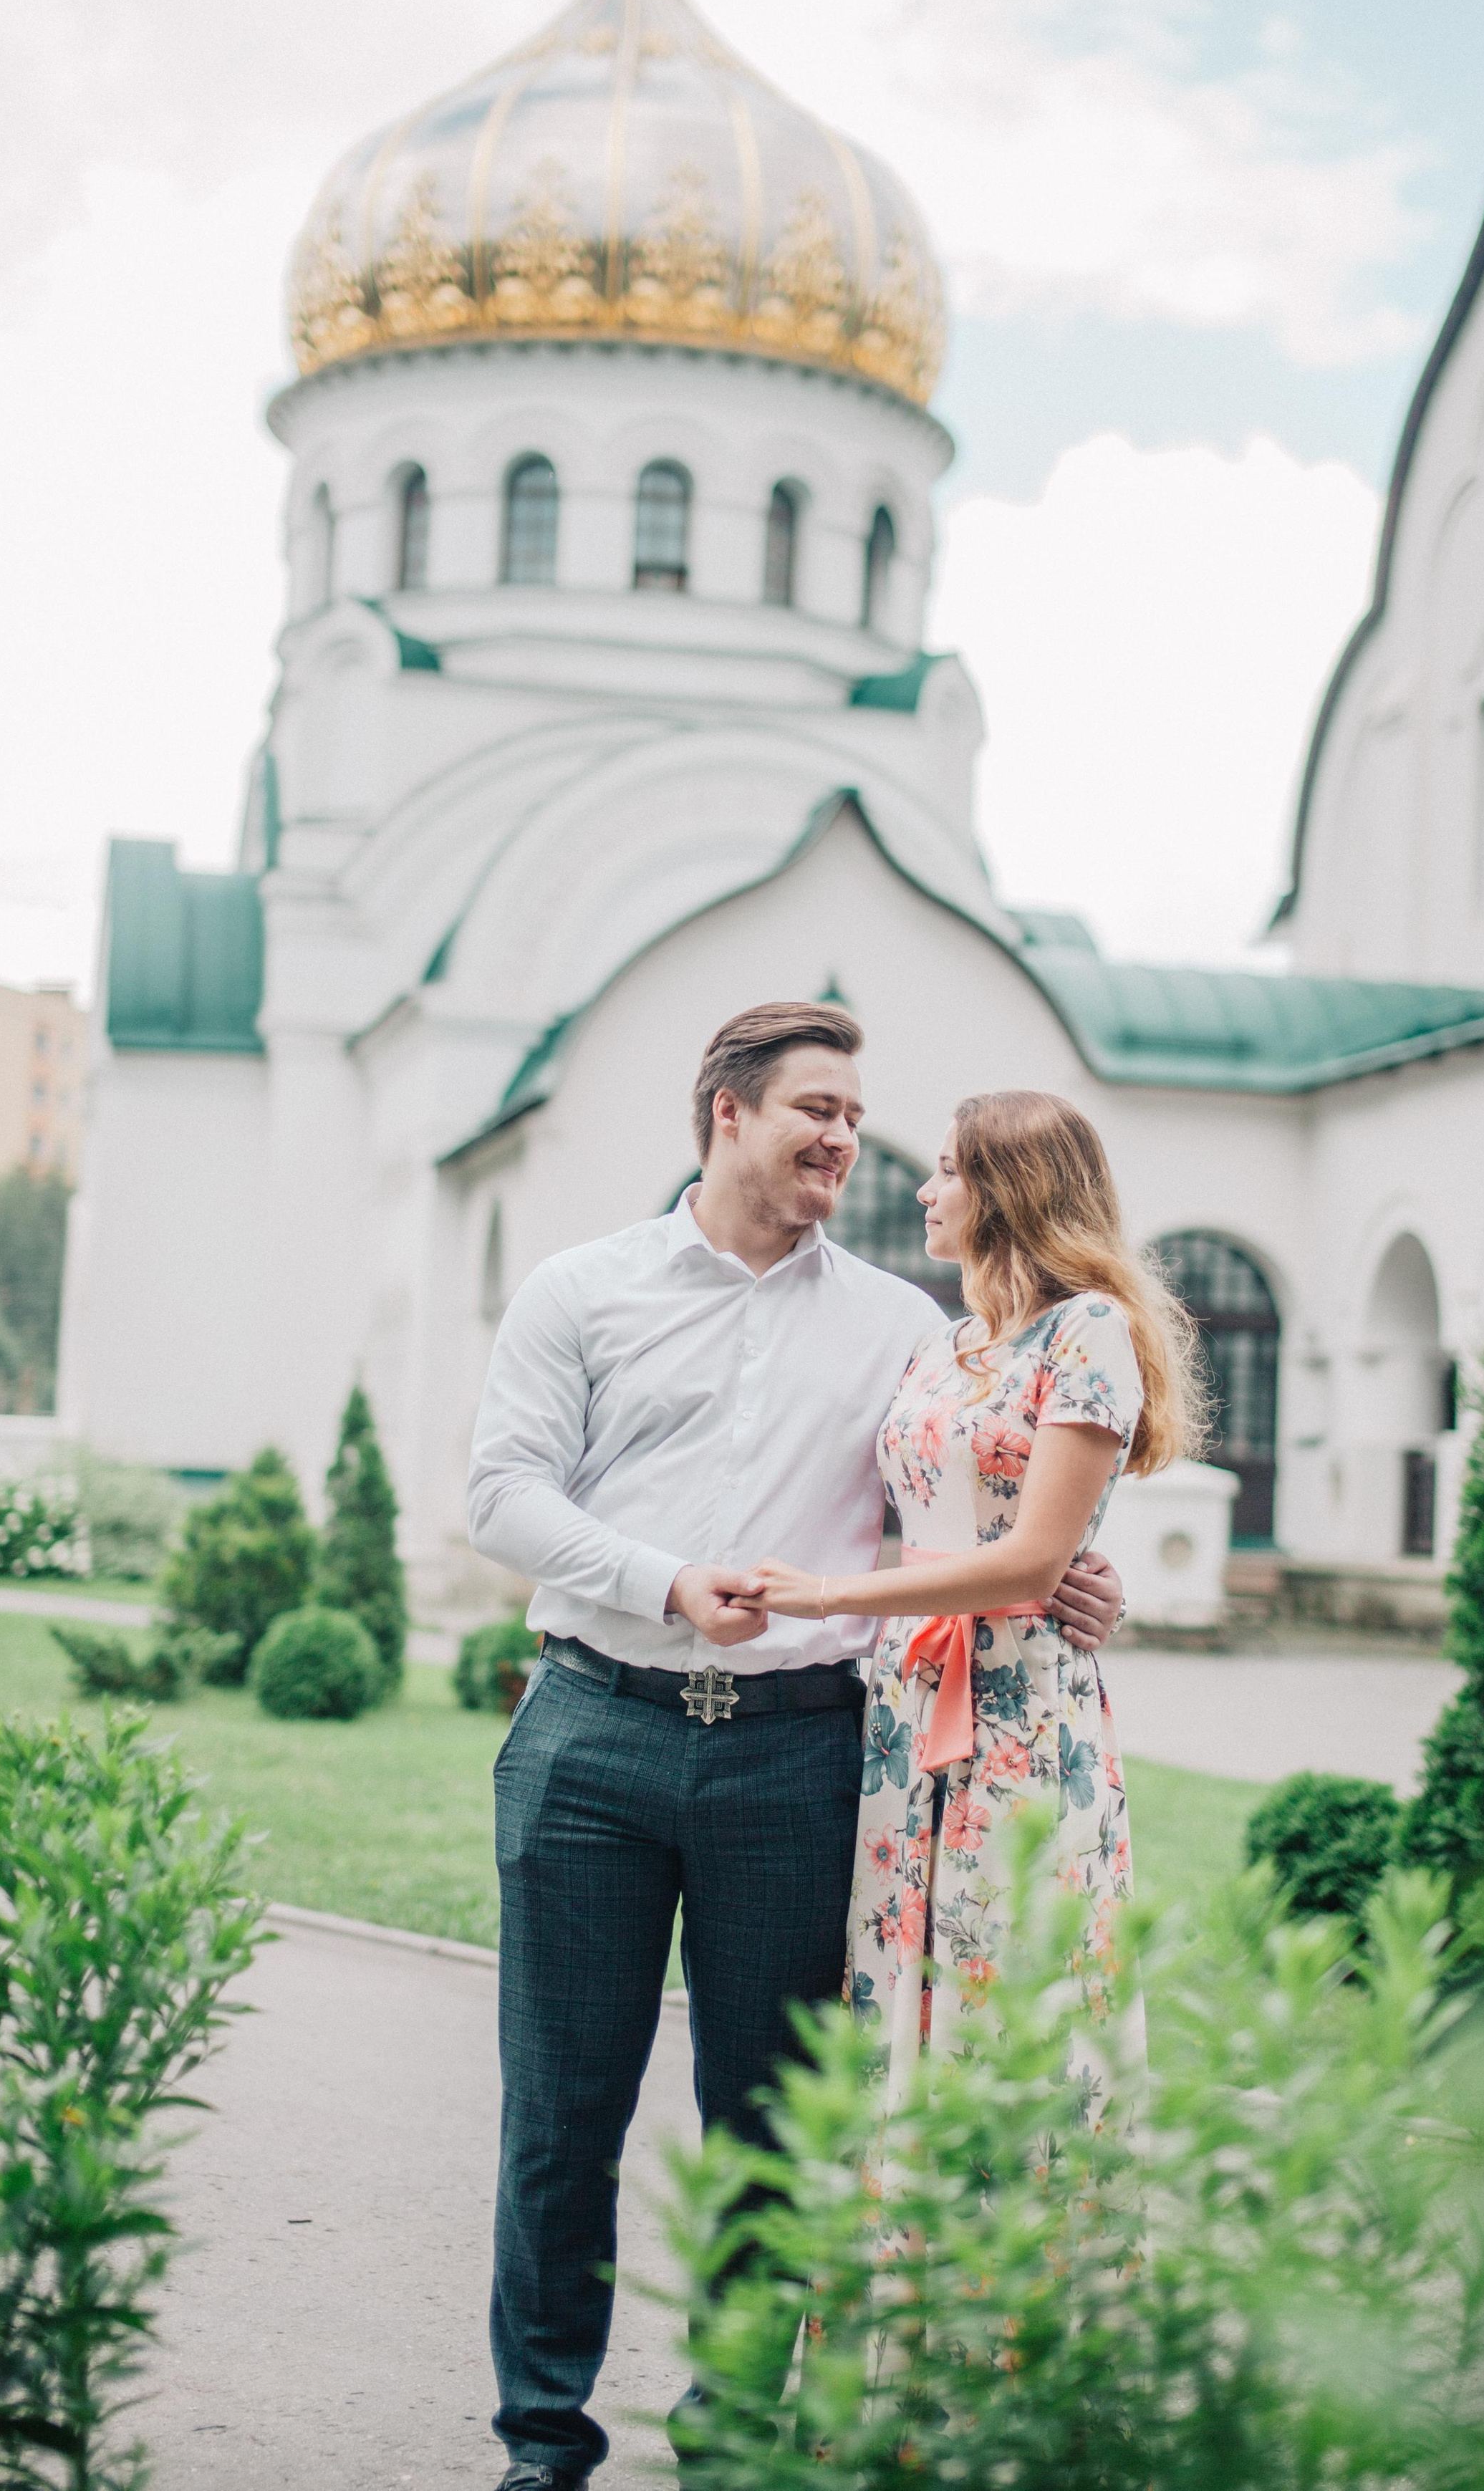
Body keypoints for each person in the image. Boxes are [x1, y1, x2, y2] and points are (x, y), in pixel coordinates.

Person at [466, 1007, 1126, 2491]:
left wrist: (1067, 1570)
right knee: (560, 2121)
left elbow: (979, 1495)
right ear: (724, 1111)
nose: (844, 1139)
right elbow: (502, 1491)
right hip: (590, 1736)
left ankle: (735, 2449)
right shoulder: (582, 1288)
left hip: (799, 1761)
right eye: (813, 1110)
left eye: (853, 1115)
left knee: (768, 2131)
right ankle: (541, 2448)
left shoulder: (905, 1324)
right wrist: (659, 1579)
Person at [743, 1089, 1200, 2109]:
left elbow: (1033, 1562)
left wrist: (824, 1596)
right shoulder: (944, 1345)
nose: (922, 1186)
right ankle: (902, 2245)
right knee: (899, 1957)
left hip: (1018, 1714)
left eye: (948, 1168)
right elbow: (933, 1514)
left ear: (1012, 1190)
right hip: (905, 1705)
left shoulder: (1089, 1331)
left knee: (1000, 1970)